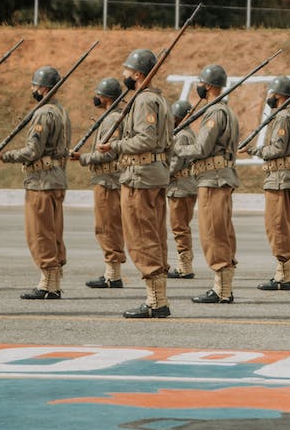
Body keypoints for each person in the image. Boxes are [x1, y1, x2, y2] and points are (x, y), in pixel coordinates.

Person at [95, 49, 174, 319]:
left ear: (138, 74)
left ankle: (155, 302)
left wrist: (114, 146)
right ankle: (158, 298)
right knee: (155, 235)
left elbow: (146, 139)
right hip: (155, 174)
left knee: (142, 236)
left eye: (127, 71)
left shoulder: (143, 101)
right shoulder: (158, 100)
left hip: (140, 176)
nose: (124, 76)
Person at [0, 66, 71, 300]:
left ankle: (48, 283)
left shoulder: (44, 113)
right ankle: (53, 281)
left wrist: (4, 156)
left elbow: (32, 150)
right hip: (56, 178)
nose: (33, 90)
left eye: (35, 85)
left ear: (44, 88)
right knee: (53, 231)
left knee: (40, 232)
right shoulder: (61, 112)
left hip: (41, 181)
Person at [174, 64, 241, 305]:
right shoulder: (227, 110)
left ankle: (222, 290)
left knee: (213, 233)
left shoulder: (214, 112)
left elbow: (201, 148)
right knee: (222, 232)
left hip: (213, 179)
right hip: (218, 177)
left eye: (201, 82)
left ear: (209, 86)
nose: (198, 87)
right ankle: (223, 287)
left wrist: (174, 148)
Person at [246, 76, 290, 291]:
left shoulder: (282, 117)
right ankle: (284, 272)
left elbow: (277, 148)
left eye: (271, 93)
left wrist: (255, 150)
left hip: (279, 178)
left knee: (276, 226)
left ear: (278, 95)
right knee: (282, 225)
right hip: (285, 176)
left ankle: (283, 275)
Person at [74, 77, 126, 289]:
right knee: (107, 225)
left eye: (98, 94)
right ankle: (111, 273)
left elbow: (107, 153)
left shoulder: (112, 118)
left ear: (105, 98)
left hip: (108, 181)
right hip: (107, 179)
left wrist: (82, 158)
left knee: (106, 226)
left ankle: (112, 275)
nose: (95, 97)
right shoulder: (112, 116)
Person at [167, 100, 199, 280]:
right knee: (182, 226)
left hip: (180, 187)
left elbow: (175, 163)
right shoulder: (187, 133)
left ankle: (184, 267)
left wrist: (160, 175)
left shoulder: (181, 136)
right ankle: (184, 264)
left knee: (179, 227)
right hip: (185, 185)